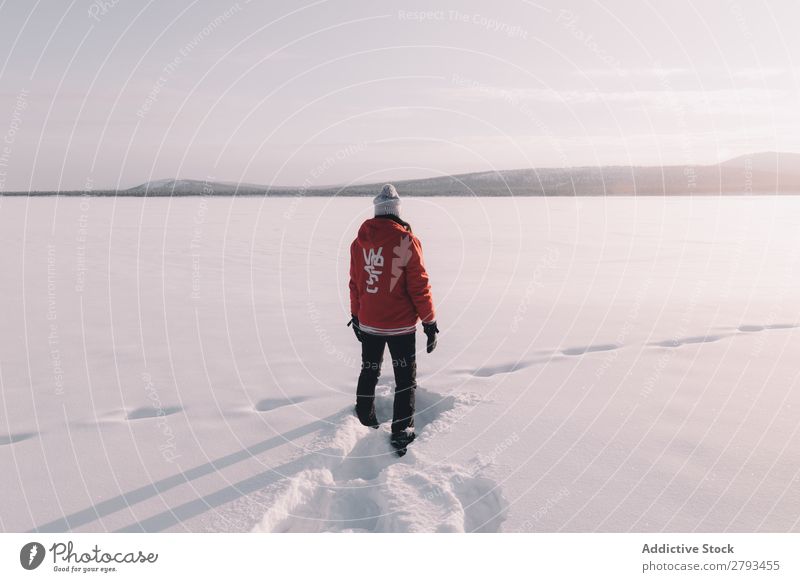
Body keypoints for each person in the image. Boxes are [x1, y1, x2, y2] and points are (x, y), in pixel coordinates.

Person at [347, 184, 439, 454]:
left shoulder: (358, 242)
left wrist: (356, 315)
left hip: (370, 322)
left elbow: (355, 283)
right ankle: (402, 429)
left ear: (378, 212)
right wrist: (430, 322)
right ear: (397, 212)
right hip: (400, 326)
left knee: (370, 370)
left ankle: (364, 417)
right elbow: (419, 285)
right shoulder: (407, 241)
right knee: (404, 378)